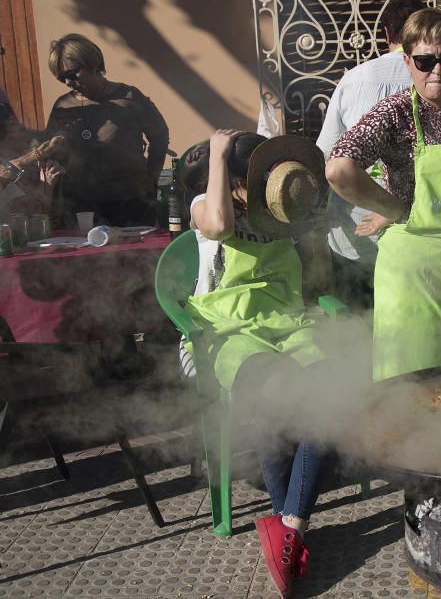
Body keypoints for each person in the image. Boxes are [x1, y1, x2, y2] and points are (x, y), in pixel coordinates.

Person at [177, 130, 331, 598]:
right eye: (257, 177)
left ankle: (287, 525)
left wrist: (317, 234)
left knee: (333, 396)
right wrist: (219, 157)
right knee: (279, 395)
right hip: (223, 331)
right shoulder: (207, 202)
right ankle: (292, 525)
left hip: (287, 323)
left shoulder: (281, 209)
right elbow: (220, 227)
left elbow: (316, 277)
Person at [326, 7, 441, 381]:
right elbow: (338, 170)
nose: (438, 71)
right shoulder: (393, 113)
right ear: (408, 61)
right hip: (415, 283)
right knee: (419, 398)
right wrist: (394, 208)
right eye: (426, 60)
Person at [314, 0, 425, 309]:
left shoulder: (355, 80)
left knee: (362, 337)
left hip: (357, 234)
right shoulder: (439, 82)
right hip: (421, 232)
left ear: (387, 35)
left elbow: (326, 156)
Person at [45, 33, 169, 226]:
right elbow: (50, 149)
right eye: (62, 78)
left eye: (72, 74)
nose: (68, 82)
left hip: (132, 201)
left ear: (92, 64)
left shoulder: (129, 97)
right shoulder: (63, 106)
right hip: (82, 206)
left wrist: (153, 175)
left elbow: (160, 135)